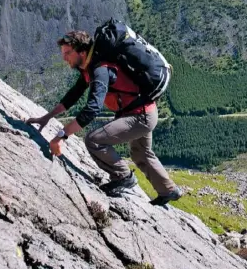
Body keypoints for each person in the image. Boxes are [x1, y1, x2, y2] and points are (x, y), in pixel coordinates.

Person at [26, 30, 183, 206]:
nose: (64, 58)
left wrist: (61, 136)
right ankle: (169, 190)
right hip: (144, 110)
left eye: (68, 53)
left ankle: (123, 177)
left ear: (82, 52)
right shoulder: (88, 67)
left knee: (94, 140)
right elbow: (73, 95)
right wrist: (46, 117)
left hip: (140, 116)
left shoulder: (99, 70)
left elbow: (93, 108)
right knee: (140, 152)